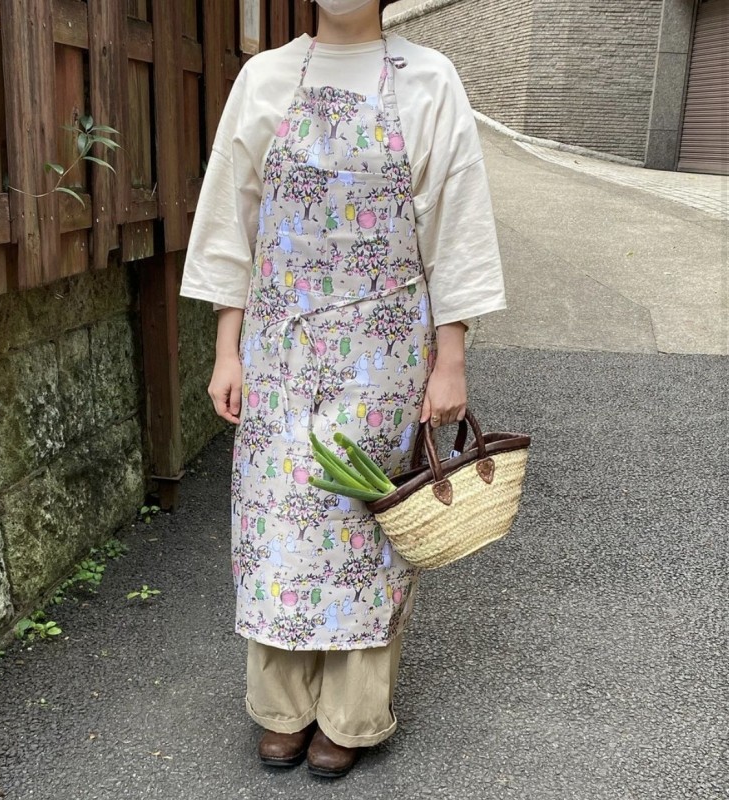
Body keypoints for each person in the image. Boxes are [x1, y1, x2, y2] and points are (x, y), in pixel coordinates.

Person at [179, 0, 506, 779]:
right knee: (277, 524)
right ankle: (282, 708)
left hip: (385, 351)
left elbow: (455, 218)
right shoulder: (264, 77)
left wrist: (450, 356)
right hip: (280, 347)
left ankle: (353, 715)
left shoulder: (429, 78)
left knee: (366, 527)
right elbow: (235, 218)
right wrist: (228, 348)